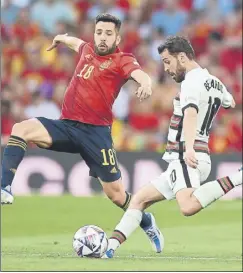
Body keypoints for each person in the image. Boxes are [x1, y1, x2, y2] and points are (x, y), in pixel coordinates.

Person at [1, 13, 163, 253]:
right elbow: (76, 43)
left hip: (96, 135)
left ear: (117, 37)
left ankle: (147, 221)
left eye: (109, 34)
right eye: (99, 32)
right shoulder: (87, 49)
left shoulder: (122, 60)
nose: (103, 38)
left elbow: (140, 74)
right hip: (66, 126)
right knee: (20, 129)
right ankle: (4, 187)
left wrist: (146, 83)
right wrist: (61, 38)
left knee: (117, 196)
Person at [102, 36, 242, 258]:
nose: (166, 68)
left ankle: (238, 177)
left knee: (187, 206)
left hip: (186, 156)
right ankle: (109, 248)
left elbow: (191, 112)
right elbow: (230, 102)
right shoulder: (214, 81)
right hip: (198, 154)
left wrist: (186, 149)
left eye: (168, 61)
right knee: (139, 199)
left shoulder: (191, 82)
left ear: (183, 57)